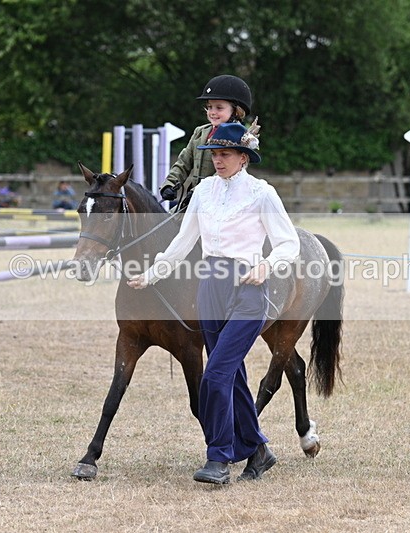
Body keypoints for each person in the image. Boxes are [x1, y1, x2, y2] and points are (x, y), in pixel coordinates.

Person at [128, 122, 300, 484]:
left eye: (224, 154)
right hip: (210, 289)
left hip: (248, 291)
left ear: (243, 157)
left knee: (216, 375)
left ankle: (219, 457)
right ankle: (259, 451)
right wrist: (152, 273)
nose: (217, 160)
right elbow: (183, 242)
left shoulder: (262, 194)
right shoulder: (204, 191)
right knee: (233, 376)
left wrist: (266, 265)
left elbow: (289, 244)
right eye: (214, 154)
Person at [159, 74, 253, 212]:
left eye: (219, 108)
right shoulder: (200, 132)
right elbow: (184, 162)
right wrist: (169, 184)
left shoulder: (240, 136)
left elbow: (225, 174)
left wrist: (199, 192)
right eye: (209, 107)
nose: (212, 112)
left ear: (236, 111)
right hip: (193, 201)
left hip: (222, 202)